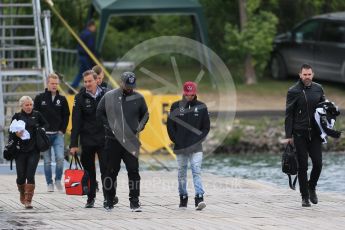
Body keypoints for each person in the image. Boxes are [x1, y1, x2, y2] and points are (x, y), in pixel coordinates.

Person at [97, 72, 149, 212]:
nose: (129, 88)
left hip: (131, 141)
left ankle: (134, 201)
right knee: (111, 172)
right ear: (121, 82)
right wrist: (109, 126)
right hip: (113, 141)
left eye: (131, 86)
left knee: (133, 171)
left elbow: (145, 114)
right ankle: (109, 199)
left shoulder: (139, 97)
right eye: (127, 85)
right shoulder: (109, 96)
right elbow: (99, 112)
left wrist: (139, 127)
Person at [285, 63, 326, 207]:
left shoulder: (318, 88)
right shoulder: (293, 91)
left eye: (309, 74)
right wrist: (288, 135)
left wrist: (327, 124)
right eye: (304, 74)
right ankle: (304, 196)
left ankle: (311, 186)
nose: (307, 77)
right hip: (299, 133)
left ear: (312, 75)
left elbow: (324, 109)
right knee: (302, 166)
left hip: (315, 134)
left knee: (318, 164)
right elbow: (289, 114)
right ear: (300, 75)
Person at [167, 81, 210, 211]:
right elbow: (170, 126)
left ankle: (199, 198)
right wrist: (176, 140)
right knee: (181, 173)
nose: (189, 97)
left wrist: (198, 140)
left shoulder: (202, 107)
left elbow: (206, 127)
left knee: (196, 170)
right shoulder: (175, 106)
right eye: (187, 94)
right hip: (180, 146)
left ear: (195, 93)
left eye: (191, 94)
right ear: (183, 93)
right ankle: (183, 197)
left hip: (196, 147)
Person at [70, 70, 107, 208]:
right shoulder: (79, 98)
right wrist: (73, 144)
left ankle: (108, 197)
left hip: (104, 139)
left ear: (97, 80)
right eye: (85, 82)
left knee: (107, 170)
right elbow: (76, 122)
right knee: (89, 171)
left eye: (90, 81)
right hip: (87, 140)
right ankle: (90, 198)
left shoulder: (106, 94)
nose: (87, 84)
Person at [10, 96, 49, 209]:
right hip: (20, 151)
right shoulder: (17, 116)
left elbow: (46, 124)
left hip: (34, 150)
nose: (29, 107)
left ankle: (28, 200)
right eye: (26, 105)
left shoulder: (37, 115)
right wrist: (16, 134)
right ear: (21, 106)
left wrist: (40, 129)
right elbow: (11, 132)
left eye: (30, 105)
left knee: (30, 175)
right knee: (21, 177)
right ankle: (22, 192)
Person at [34, 73, 70, 192]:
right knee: (47, 161)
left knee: (60, 158)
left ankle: (58, 180)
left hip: (57, 134)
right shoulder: (40, 98)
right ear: (47, 83)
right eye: (52, 83)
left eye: (56, 84)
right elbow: (35, 115)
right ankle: (49, 183)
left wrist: (62, 130)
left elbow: (66, 115)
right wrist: (39, 130)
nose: (54, 86)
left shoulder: (62, 99)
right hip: (44, 135)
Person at [70, 20, 98, 91]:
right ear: (91, 26)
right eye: (94, 27)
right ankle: (92, 88)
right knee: (91, 73)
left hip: (81, 55)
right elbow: (91, 47)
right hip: (87, 57)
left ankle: (72, 87)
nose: (95, 29)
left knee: (81, 73)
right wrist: (95, 57)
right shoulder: (89, 34)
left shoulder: (82, 33)